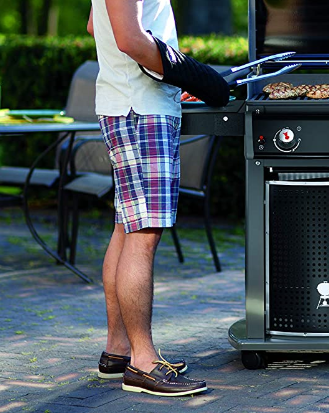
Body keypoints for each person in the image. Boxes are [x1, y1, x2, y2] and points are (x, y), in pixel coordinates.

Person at [86, 0, 226, 397]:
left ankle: (118, 351)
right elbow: (130, 38)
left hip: (130, 101)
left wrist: (171, 77)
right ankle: (143, 363)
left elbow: (99, 26)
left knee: (127, 227)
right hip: (140, 107)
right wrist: (187, 73)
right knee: (144, 233)